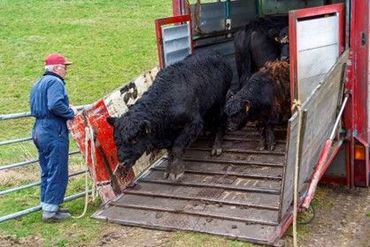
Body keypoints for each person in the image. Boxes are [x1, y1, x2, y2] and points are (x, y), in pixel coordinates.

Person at [29, 53, 78, 222]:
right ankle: (51, 212)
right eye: (65, 67)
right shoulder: (55, 82)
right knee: (57, 170)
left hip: (39, 129)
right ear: (57, 68)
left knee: (47, 169)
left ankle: (48, 205)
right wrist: (70, 113)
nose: (66, 70)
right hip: (53, 129)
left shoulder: (38, 83)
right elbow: (55, 104)